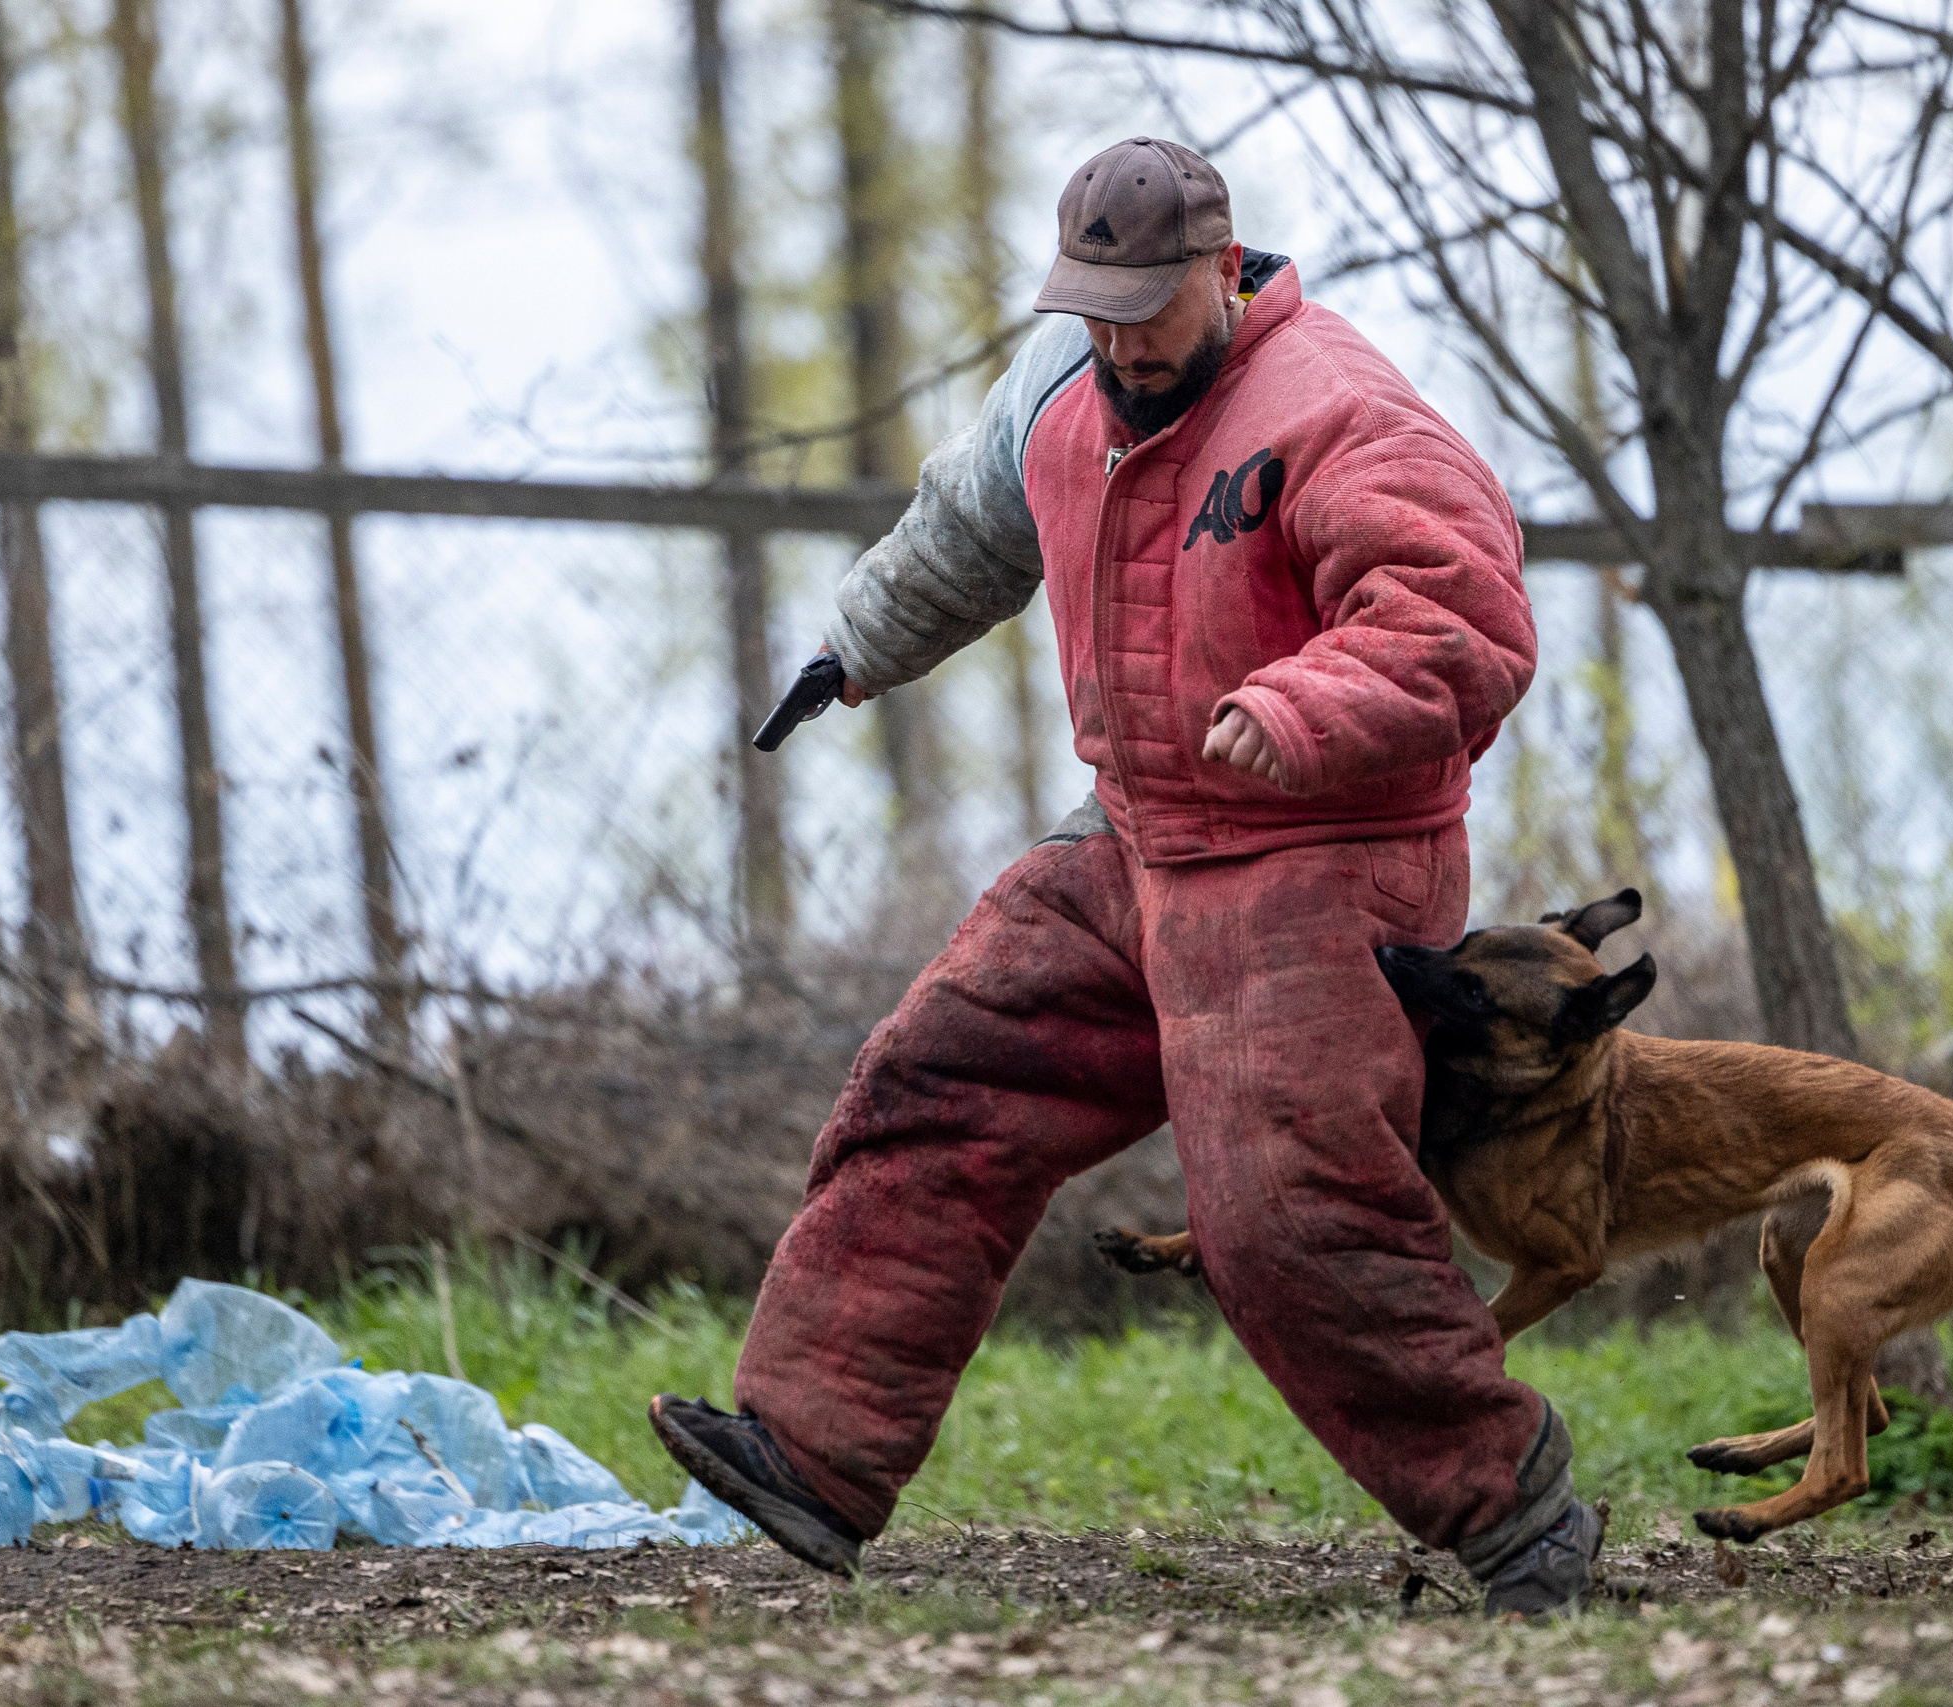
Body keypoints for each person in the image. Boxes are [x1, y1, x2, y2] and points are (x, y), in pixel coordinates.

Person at [651, 138, 1600, 1616]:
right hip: (1141, 838)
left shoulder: (1343, 413)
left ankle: (1514, 1511)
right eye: (1089, 306)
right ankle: (811, 1455)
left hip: (1321, 855)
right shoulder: (1063, 384)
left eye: (1144, 309)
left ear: (1227, 272)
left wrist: (1295, 708)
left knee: (1280, 1213)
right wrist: (855, 650)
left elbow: (1459, 622)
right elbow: (973, 522)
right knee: (939, 1075)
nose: (1115, 340)